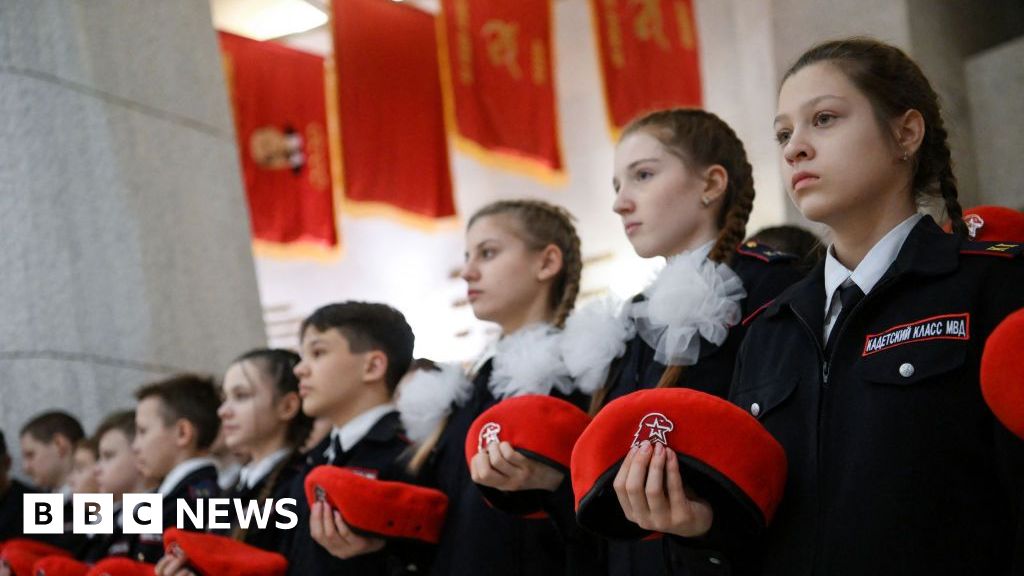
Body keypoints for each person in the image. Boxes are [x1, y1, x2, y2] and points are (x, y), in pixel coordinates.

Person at [617, 38, 1024, 576]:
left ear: (905, 132)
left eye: (824, 119)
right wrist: (704, 528)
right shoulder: (771, 328)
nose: (794, 150)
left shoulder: (994, 285)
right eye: (784, 134)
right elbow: (762, 529)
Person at [559, 108, 802, 575]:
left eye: (643, 175)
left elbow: (791, 471)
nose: (620, 203)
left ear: (711, 183)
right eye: (617, 185)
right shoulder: (632, 317)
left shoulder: (772, 288)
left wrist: (706, 529)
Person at [399, 199, 589, 576]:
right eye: (468, 256)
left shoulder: (582, 372)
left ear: (546, 263)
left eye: (487, 253)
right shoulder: (471, 386)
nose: (468, 272)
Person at [281, 301, 427, 576]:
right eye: (302, 357)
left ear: (372, 366)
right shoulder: (315, 458)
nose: (300, 369)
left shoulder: (411, 453)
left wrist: (380, 553)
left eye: (317, 352)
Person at [132, 375, 222, 562]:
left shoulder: (196, 502)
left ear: (182, 433)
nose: (135, 446)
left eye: (143, 431)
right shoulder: (163, 496)